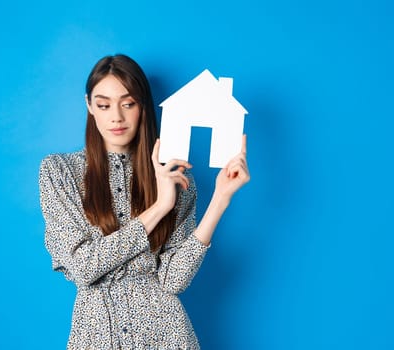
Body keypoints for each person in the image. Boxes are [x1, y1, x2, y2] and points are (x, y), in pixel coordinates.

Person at [38, 54, 250, 349]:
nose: (116, 117)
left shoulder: (175, 178)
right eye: (103, 104)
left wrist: (220, 199)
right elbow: (83, 267)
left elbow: (173, 281)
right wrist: (160, 207)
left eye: (128, 103)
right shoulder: (60, 172)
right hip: (97, 335)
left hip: (167, 336)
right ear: (89, 106)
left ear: (143, 106)